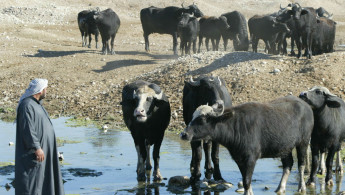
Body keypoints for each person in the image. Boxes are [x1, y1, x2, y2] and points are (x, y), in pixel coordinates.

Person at [15, 78, 64, 195]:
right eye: (45, 89)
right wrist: (36, 147)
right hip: (34, 153)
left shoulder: (36, 104)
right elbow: (28, 129)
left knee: (43, 181)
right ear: (40, 90)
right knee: (32, 183)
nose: (46, 91)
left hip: (43, 150)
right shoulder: (27, 105)